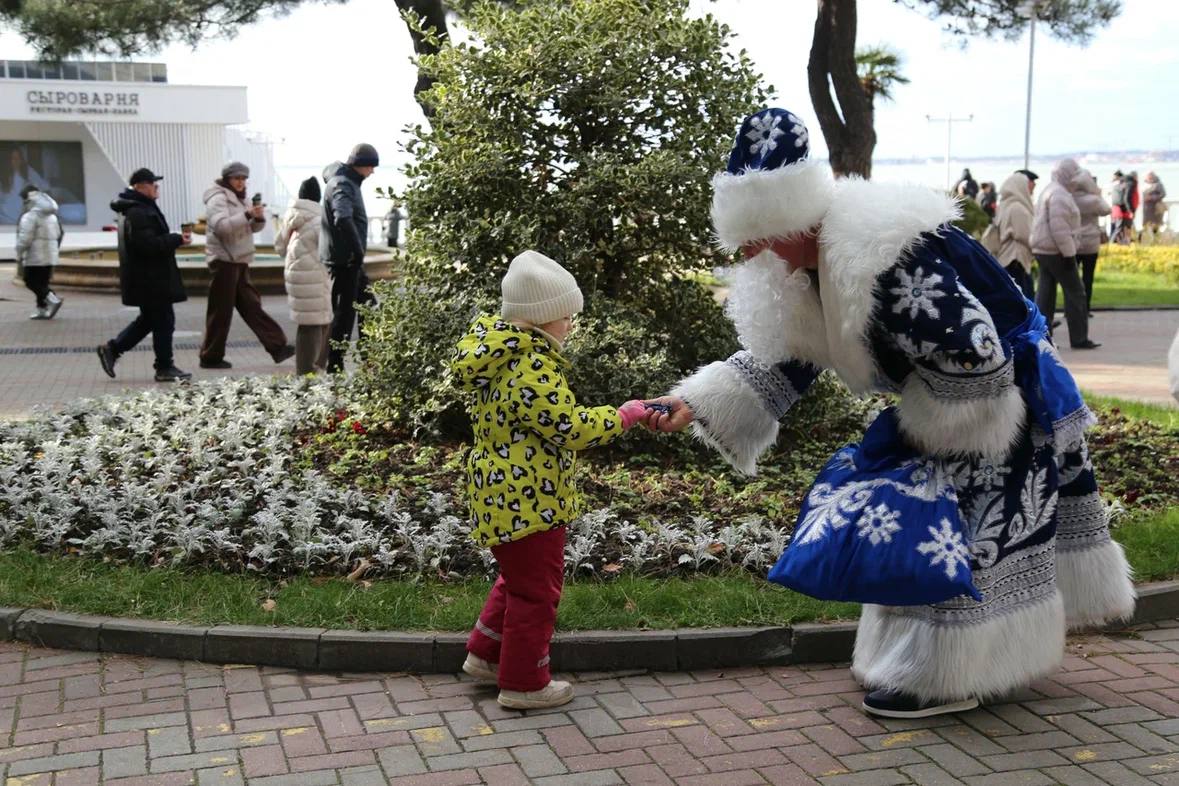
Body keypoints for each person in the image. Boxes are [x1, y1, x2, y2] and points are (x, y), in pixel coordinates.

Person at [642, 107, 1134, 719]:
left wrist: (925, 431)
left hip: (998, 400)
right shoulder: (817, 258)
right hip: (955, 394)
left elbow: (976, 351)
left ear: (788, 221)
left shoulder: (889, 260)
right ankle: (925, 663)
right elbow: (791, 357)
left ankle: (947, 676)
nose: (753, 257)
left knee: (965, 535)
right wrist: (690, 404)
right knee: (924, 529)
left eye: (758, 242)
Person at [453, 250, 648, 710]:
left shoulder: (500, 356)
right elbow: (570, 428)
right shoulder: (531, 367)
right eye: (566, 317)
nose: (571, 326)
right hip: (529, 499)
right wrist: (623, 417)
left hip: (503, 494)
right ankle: (524, 683)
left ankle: (485, 655)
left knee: (516, 580)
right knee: (537, 593)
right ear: (542, 319)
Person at [97, 168, 192, 382]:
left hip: (150, 277)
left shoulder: (139, 208)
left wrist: (173, 240)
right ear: (140, 187)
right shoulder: (138, 212)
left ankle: (112, 349)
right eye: (152, 184)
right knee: (163, 320)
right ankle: (164, 367)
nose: (157, 187)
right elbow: (146, 245)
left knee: (150, 320)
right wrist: (175, 239)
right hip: (151, 278)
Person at [198, 161, 294, 370]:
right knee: (221, 312)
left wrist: (257, 220)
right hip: (224, 261)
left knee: (252, 307)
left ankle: (278, 347)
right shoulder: (218, 198)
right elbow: (222, 227)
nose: (241, 182)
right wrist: (248, 215)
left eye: (243, 179)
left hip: (238, 260)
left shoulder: (240, 198)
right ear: (227, 179)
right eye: (237, 178)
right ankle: (210, 357)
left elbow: (249, 228)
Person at [321, 143, 379, 373]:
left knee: (368, 305)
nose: (372, 172)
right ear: (361, 166)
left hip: (349, 261)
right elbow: (342, 217)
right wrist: (358, 251)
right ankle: (334, 367)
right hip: (345, 262)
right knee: (344, 316)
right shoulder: (343, 184)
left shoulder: (345, 181)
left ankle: (367, 357)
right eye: (371, 167)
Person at [1032, 158, 1100, 349]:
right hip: (1057, 252)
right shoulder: (1059, 195)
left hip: (1044, 250)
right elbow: (1059, 228)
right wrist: (1069, 255)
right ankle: (1079, 338)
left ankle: (1043, 338)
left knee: (1045, 295)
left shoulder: (1050, 190)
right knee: (1076, 293)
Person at [277, 177, 330, 375]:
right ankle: (307, 373)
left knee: (307, 326)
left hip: (297, 279)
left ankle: (307, 370)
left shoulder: (292, 217)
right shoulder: (318, 220)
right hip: (314, 280)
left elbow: (279, 247)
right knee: (316, 326)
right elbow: (330, 250)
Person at [15, 184, 64, 320]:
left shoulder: (30, 216)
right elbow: (59, 234)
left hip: (35, 256)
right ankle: (42, 309)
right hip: (50, 256)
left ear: (28, 200)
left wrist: (19, 253)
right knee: (42, 283)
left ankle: (52, 299)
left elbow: (25, 239)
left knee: (30, 281)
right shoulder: (52, 216)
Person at [1070, 169, 1111, 316]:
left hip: (1074, 243)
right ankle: (1085, 309)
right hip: (1090, 243)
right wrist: (1098, 193)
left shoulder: (1069, 198)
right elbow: (1107, 210)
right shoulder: (1094, 200)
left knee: (1072, 280)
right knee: (1088, 277)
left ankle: (1071, 310)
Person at [996, 172, 1035, 299]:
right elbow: (1026, 235)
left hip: (1006, 258)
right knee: (1025, 299)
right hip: (1016, 259)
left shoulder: (1004, 205)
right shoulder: (1017, 208)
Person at [1109, 170, 1130, 244]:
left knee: (1117, 226)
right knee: (1119, 227)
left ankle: (1115, 241)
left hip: (1116, 209)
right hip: (1118, 209)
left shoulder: (1117, 185)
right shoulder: (1120, 186)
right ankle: (1113, 241)